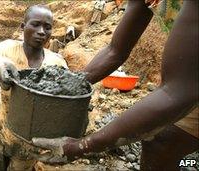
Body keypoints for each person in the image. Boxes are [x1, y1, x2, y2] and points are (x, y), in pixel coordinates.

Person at [31, 0, 198, 170]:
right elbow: (115, 50)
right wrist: (71, 84)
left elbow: (177, 92)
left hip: (187, 82)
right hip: (189, 78)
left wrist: (82, 147)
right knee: (161, 142)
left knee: (164, 135)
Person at [0, 4, 68, 171]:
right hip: (1, 138)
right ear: (23, 26)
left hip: (30, 147)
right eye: (35, 24)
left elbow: (64, 106)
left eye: (47, 27)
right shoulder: (6, 50)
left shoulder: (57, 63)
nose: (41, 31)